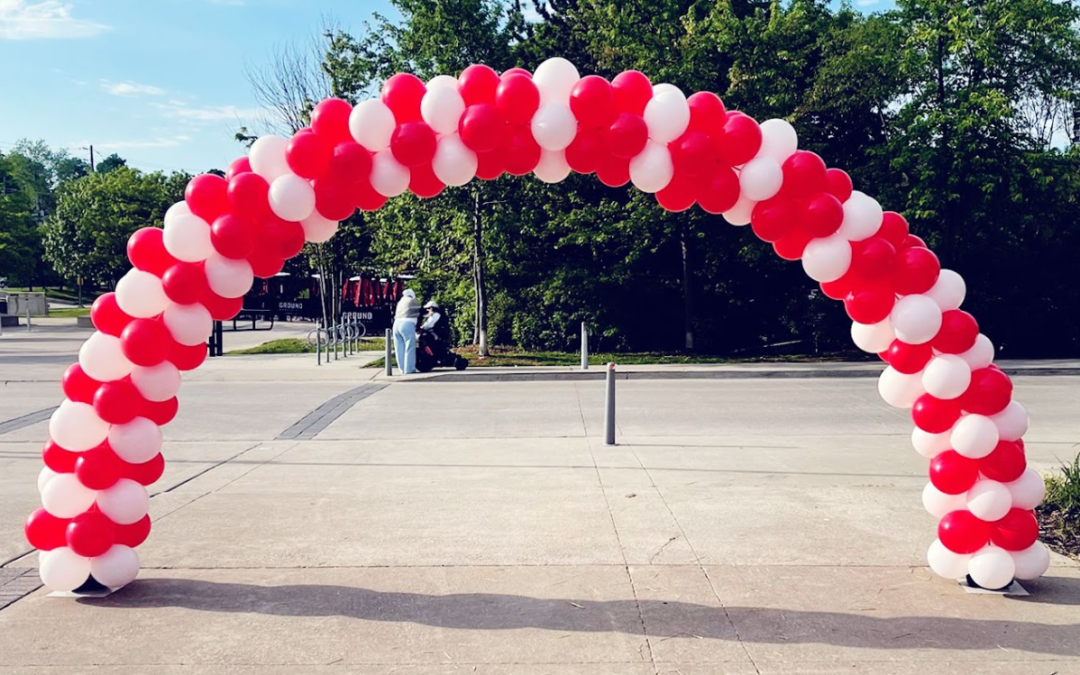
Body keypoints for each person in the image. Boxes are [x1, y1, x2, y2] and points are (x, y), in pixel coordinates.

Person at [392, 289, 420, 374]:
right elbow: (420, 312)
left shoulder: (401, 301)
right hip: (407, 324)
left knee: (399, 348)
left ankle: (402, 369)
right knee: (409, 347)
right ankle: (409, 369)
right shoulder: (412, 301)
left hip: (396, 324)